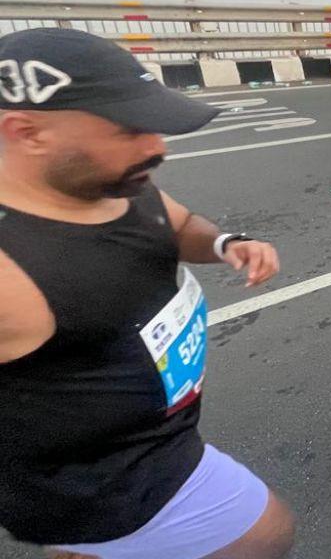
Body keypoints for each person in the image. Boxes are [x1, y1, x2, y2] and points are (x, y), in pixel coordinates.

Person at [0, 28, 294, 558]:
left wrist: (228, 242)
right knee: (264, 532)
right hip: (102, 482)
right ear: (27, 131)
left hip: (157, 435)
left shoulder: (113, 183)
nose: (157, 147)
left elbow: (176, 224)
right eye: (130, 129)